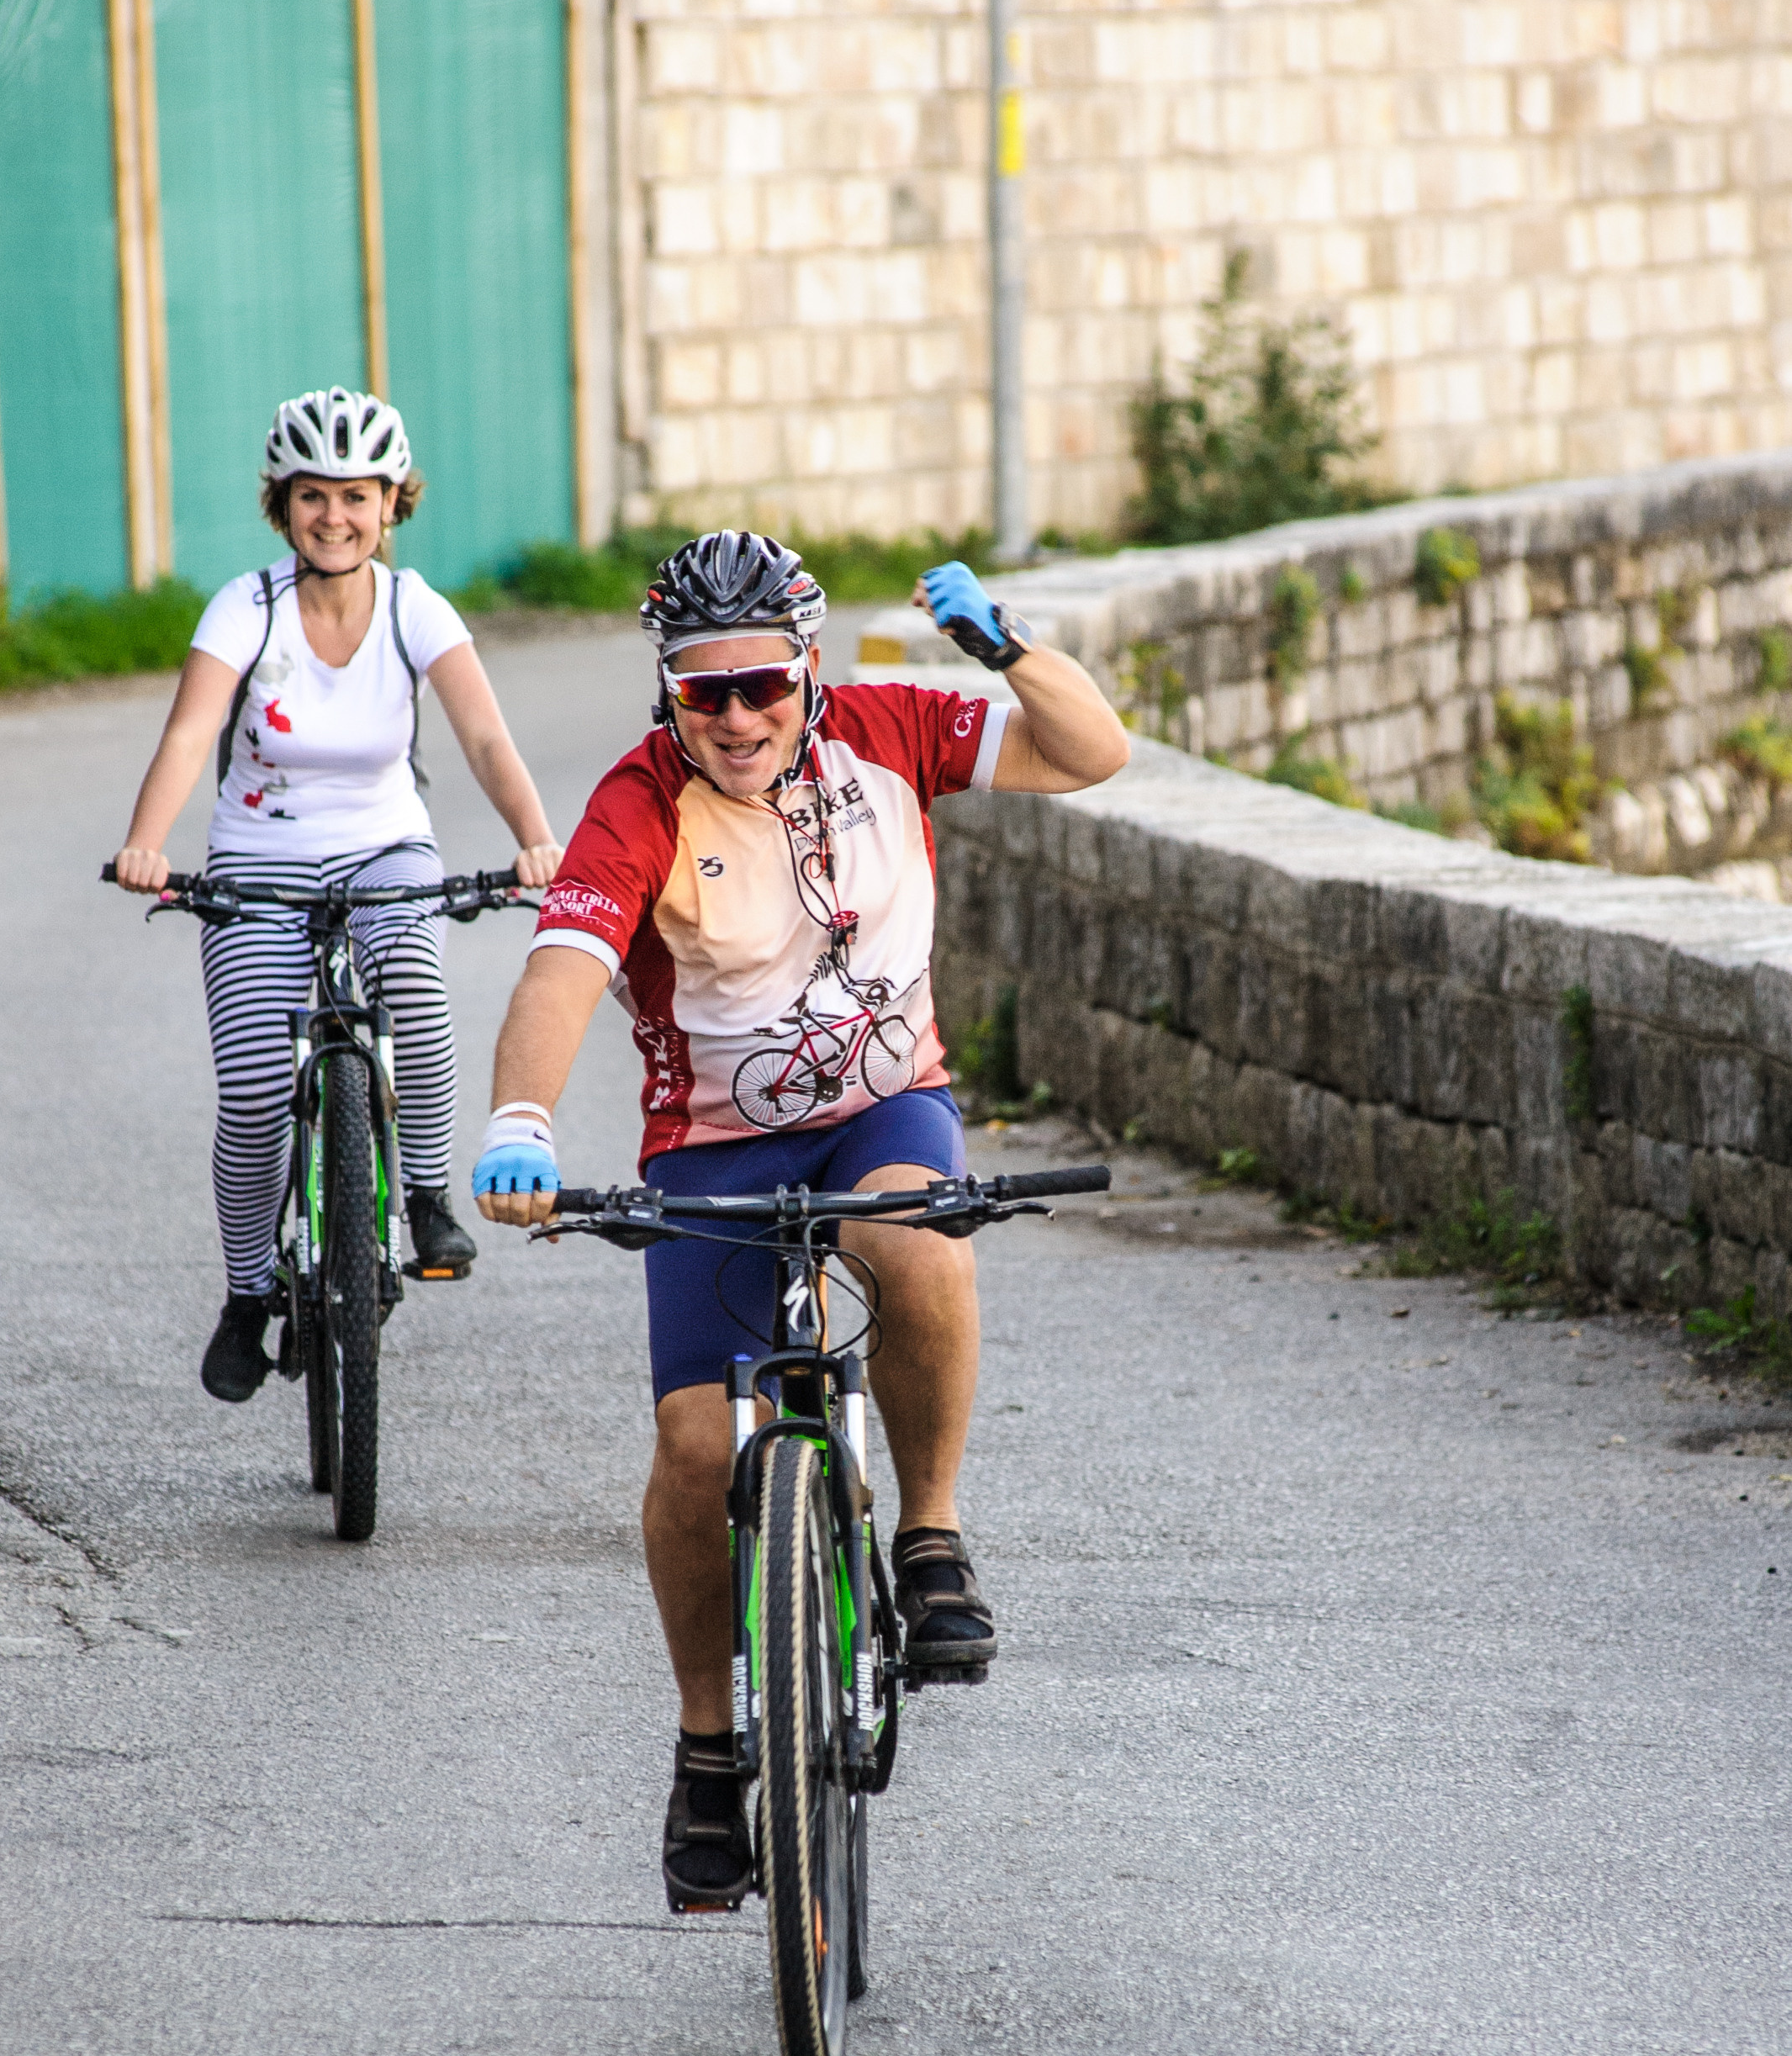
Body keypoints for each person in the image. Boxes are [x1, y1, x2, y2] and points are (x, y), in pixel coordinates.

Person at [468, 530, 1129, 1911]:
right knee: (696, 1447)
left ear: (807, 671)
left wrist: (998, 642)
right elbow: (560, 974)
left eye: (763, 685)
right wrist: (521, 1123)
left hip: (882, 1110)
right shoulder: (639, 801)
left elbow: (1093, 751)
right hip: (710, 1151)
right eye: (703, 693)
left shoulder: (890, 730)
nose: (737, 720)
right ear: (668, 691)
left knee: (916, 1238)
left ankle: (931, 1538)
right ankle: (711, 1751)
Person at [113, 388, 562, 1401]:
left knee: (411, 973)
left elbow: (485, 738)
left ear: (392, 502)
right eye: (312, 496)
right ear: (284, 505)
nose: (334, 517)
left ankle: (430, 1198)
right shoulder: (247, 607)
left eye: (356, 496)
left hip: (383, 845)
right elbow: (191, 734)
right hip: (257, 860)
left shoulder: (416, 610)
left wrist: (535, 840)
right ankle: (245, 1294)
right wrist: (147, 843)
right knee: (258, 1093)